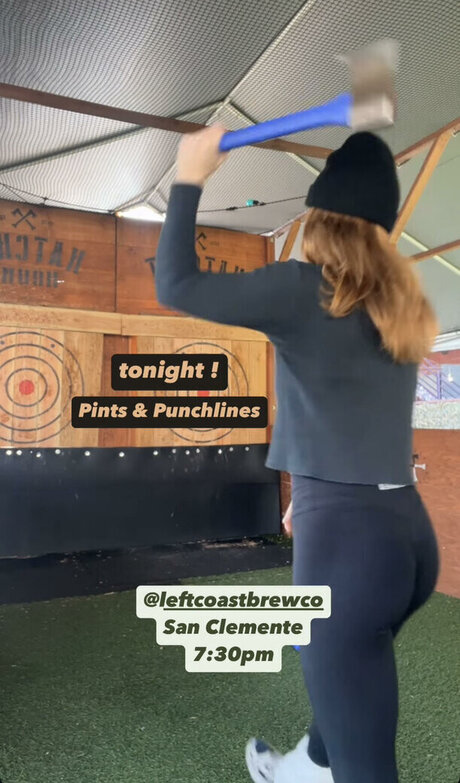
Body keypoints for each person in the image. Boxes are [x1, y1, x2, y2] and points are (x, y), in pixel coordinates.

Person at [154, 125, 440, 783]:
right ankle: (306, 766)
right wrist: (311, 503)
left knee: (364, 751)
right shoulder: (402, 303)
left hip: (349, 549)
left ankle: (319, 768)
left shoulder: (302, 288)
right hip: (405, 538)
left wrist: (190, 174)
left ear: (319, 218)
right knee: (349, 689)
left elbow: (175, 284)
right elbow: (355, 413)